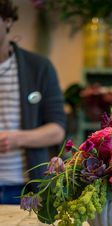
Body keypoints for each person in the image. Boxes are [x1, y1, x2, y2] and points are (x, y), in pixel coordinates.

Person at [0, 0, 66, 204]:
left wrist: (15, 139)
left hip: (25, 189)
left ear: (7, 21)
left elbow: (57, 130)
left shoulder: (39, 67)